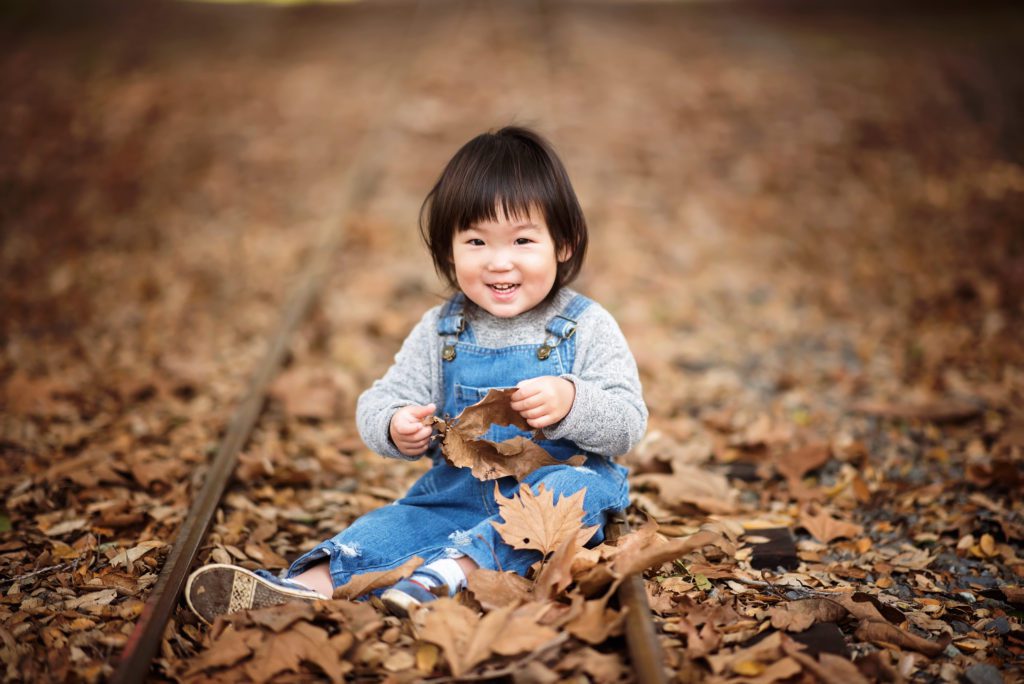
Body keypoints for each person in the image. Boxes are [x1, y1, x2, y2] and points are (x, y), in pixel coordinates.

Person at [185, 126, 647, 624]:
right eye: (476, 241)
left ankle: (451, 575)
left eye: (522, 240)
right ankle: (303, 587)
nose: (498, 261)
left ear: (563, 243)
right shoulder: (442, 331)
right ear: (449, 250)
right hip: (453, 498)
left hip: (547, 498)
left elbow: (627, 421)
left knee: (579, 489)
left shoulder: (586, 326)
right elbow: (383, 398)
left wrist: (573, 401)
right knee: (389, 527)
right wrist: (393, 424)